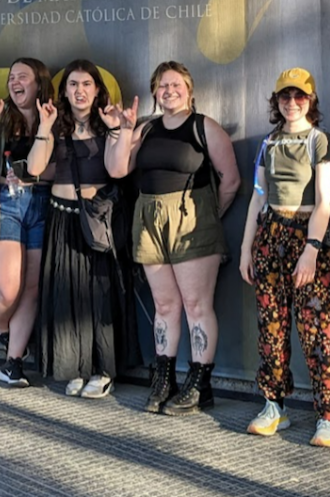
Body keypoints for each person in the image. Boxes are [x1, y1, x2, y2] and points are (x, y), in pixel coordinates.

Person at [103, 61, 240, 415]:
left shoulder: (203, 127)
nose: (169, 91)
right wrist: (123, 129)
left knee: (197, 306)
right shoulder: (145, 130)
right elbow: (118, 169)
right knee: (164, 306)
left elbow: (231, 181)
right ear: (154, 92)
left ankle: (200, 384)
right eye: (162, 86)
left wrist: (205, 218)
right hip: (149, 221)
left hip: (192, 222)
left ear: (189, 89)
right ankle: (165, 379)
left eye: (176, 84)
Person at [239, 68, 330, 446]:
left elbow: (325, 201)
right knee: (271, 326)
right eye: (285, 96)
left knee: (319, 327)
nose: (291, 102)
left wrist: (311, 252)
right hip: (270, 235)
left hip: (308, 237)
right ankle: (274, 405)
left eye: (299, 96)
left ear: (311, 100)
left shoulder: (321, 141)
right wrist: (245, 248)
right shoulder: (268, 142)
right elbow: (258, 195)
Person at [27, 59, 132, 399]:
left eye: (86, 84)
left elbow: (117, 171)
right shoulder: (55, 126)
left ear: (97, 89)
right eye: (73, 84)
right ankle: (74, 367)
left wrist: (118, 131)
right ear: (64, 91)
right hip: (60, 216)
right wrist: (45, 125)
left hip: (97, 220)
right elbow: (34, 167)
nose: (80, 90)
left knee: (98, 295)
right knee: (66, 292)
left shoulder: (107, 125)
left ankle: (101, 369)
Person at [0, 58, 55, 387]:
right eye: (11, 77)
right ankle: (3, 329)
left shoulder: (53, 118)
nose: (15, 82)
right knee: (8, 290)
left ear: (39, 84)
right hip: (2, 203)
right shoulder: (0, 115)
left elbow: (55, 169)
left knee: (31, 288)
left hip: (42, 202)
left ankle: (13, 362)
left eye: (23, 77)